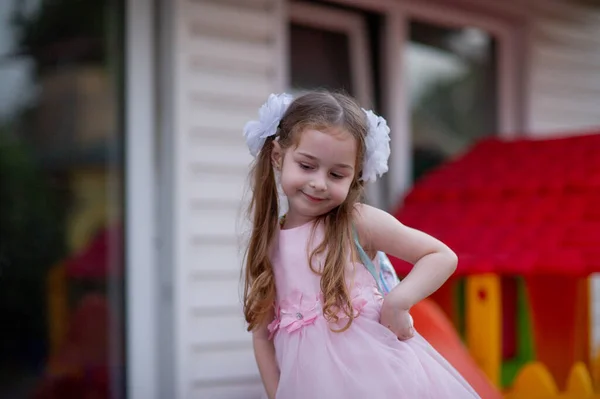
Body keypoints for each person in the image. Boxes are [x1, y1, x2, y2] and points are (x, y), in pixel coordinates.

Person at [242, 91, 480, 399]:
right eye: (306, 166)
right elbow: (261, 336)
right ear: (278, 156)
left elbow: (440, 255)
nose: (319, 182)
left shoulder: (356, 221)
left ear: (355, 176)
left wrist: (398, 302)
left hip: (384, 384)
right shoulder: (269, 241)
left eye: (336, 174)